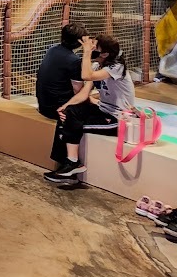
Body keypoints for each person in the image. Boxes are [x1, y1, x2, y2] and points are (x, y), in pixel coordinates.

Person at [45, 33, 136, 183]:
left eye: (94, 47)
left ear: (104, 54)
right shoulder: (96, 65)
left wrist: (87, 52)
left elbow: (86, 76)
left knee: (71, 124)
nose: (91, 48)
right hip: (102, 109)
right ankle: (68, 165)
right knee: (67, 114)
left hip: (118, 118)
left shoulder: (116, 67)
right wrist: (65, 106)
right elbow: (84, 93)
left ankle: (72, 164)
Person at [34, 23, 93, 120]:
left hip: (44, 106)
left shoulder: (52, 50)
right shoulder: (74, 61)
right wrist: (91, 80)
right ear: (81, 41)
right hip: (59, 110)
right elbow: (79, 93)